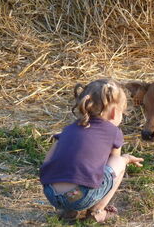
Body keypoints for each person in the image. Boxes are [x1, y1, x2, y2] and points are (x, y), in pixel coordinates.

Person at [40, 79, 143, 223]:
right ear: (114, 112)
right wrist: (126, 159)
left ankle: (68, 211)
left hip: (51, 192)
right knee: (120, 161)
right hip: (81, 195)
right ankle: (97, 211)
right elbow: (110, 165)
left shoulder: (68, 129)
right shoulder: (113, 131)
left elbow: (47, 162)